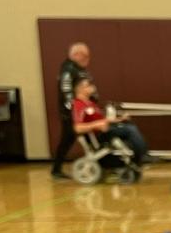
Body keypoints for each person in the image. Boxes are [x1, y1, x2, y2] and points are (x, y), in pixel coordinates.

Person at [71, 77, 149, 172]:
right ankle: (142, 156)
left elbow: (104, 120)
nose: (92, 86)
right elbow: (77, 128)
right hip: (99, 135)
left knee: (129, 125)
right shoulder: (78, 105)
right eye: (88, 85)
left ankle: (136, 159)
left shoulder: (90, 103)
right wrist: (96, 125)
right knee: (130, 129)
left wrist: (120, 119)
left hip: (106, 130)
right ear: (80, 89)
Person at [51, 41, 92, 179]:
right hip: (72, 114)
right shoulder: (68, 69)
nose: (88, 58)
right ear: (76, 55)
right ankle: (56, 170)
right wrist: (73, 109)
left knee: (79, 139)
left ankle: (100, 163)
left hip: (81, 112)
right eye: (85, 55)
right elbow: (66, 90)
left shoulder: (79, 69)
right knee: (67, 140)